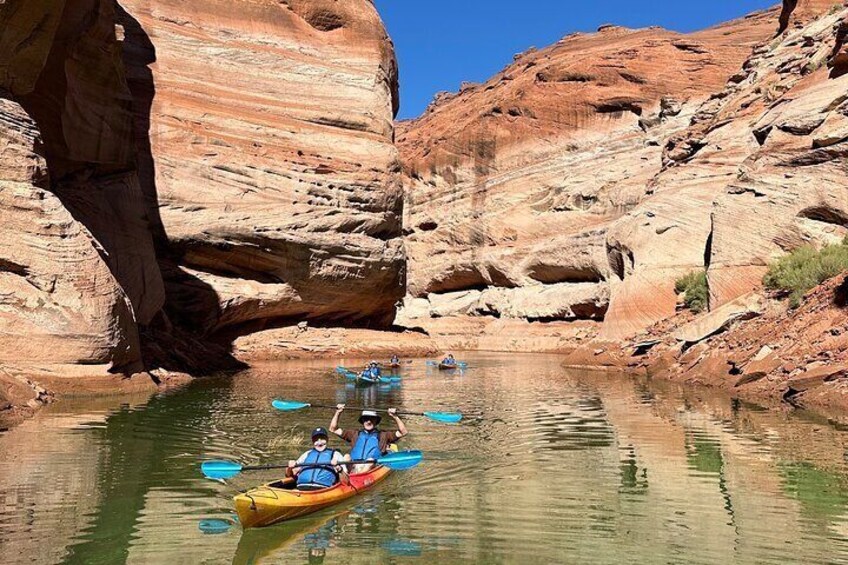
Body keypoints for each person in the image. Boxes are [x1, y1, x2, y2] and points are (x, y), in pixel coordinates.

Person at [329, 405, 407, 472]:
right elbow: (333, 429)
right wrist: (338, 412)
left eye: (372, 419)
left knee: (370, 460)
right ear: (362, 421)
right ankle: (344, 475)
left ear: (376, 421)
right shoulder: (354, 434)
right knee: (346, 456)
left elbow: (403, 432)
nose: (368, 422)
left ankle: (356, 478)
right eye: (366, 419)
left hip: (372, 466)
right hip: (353, 467)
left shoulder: (384, 435)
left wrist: (395, 416)